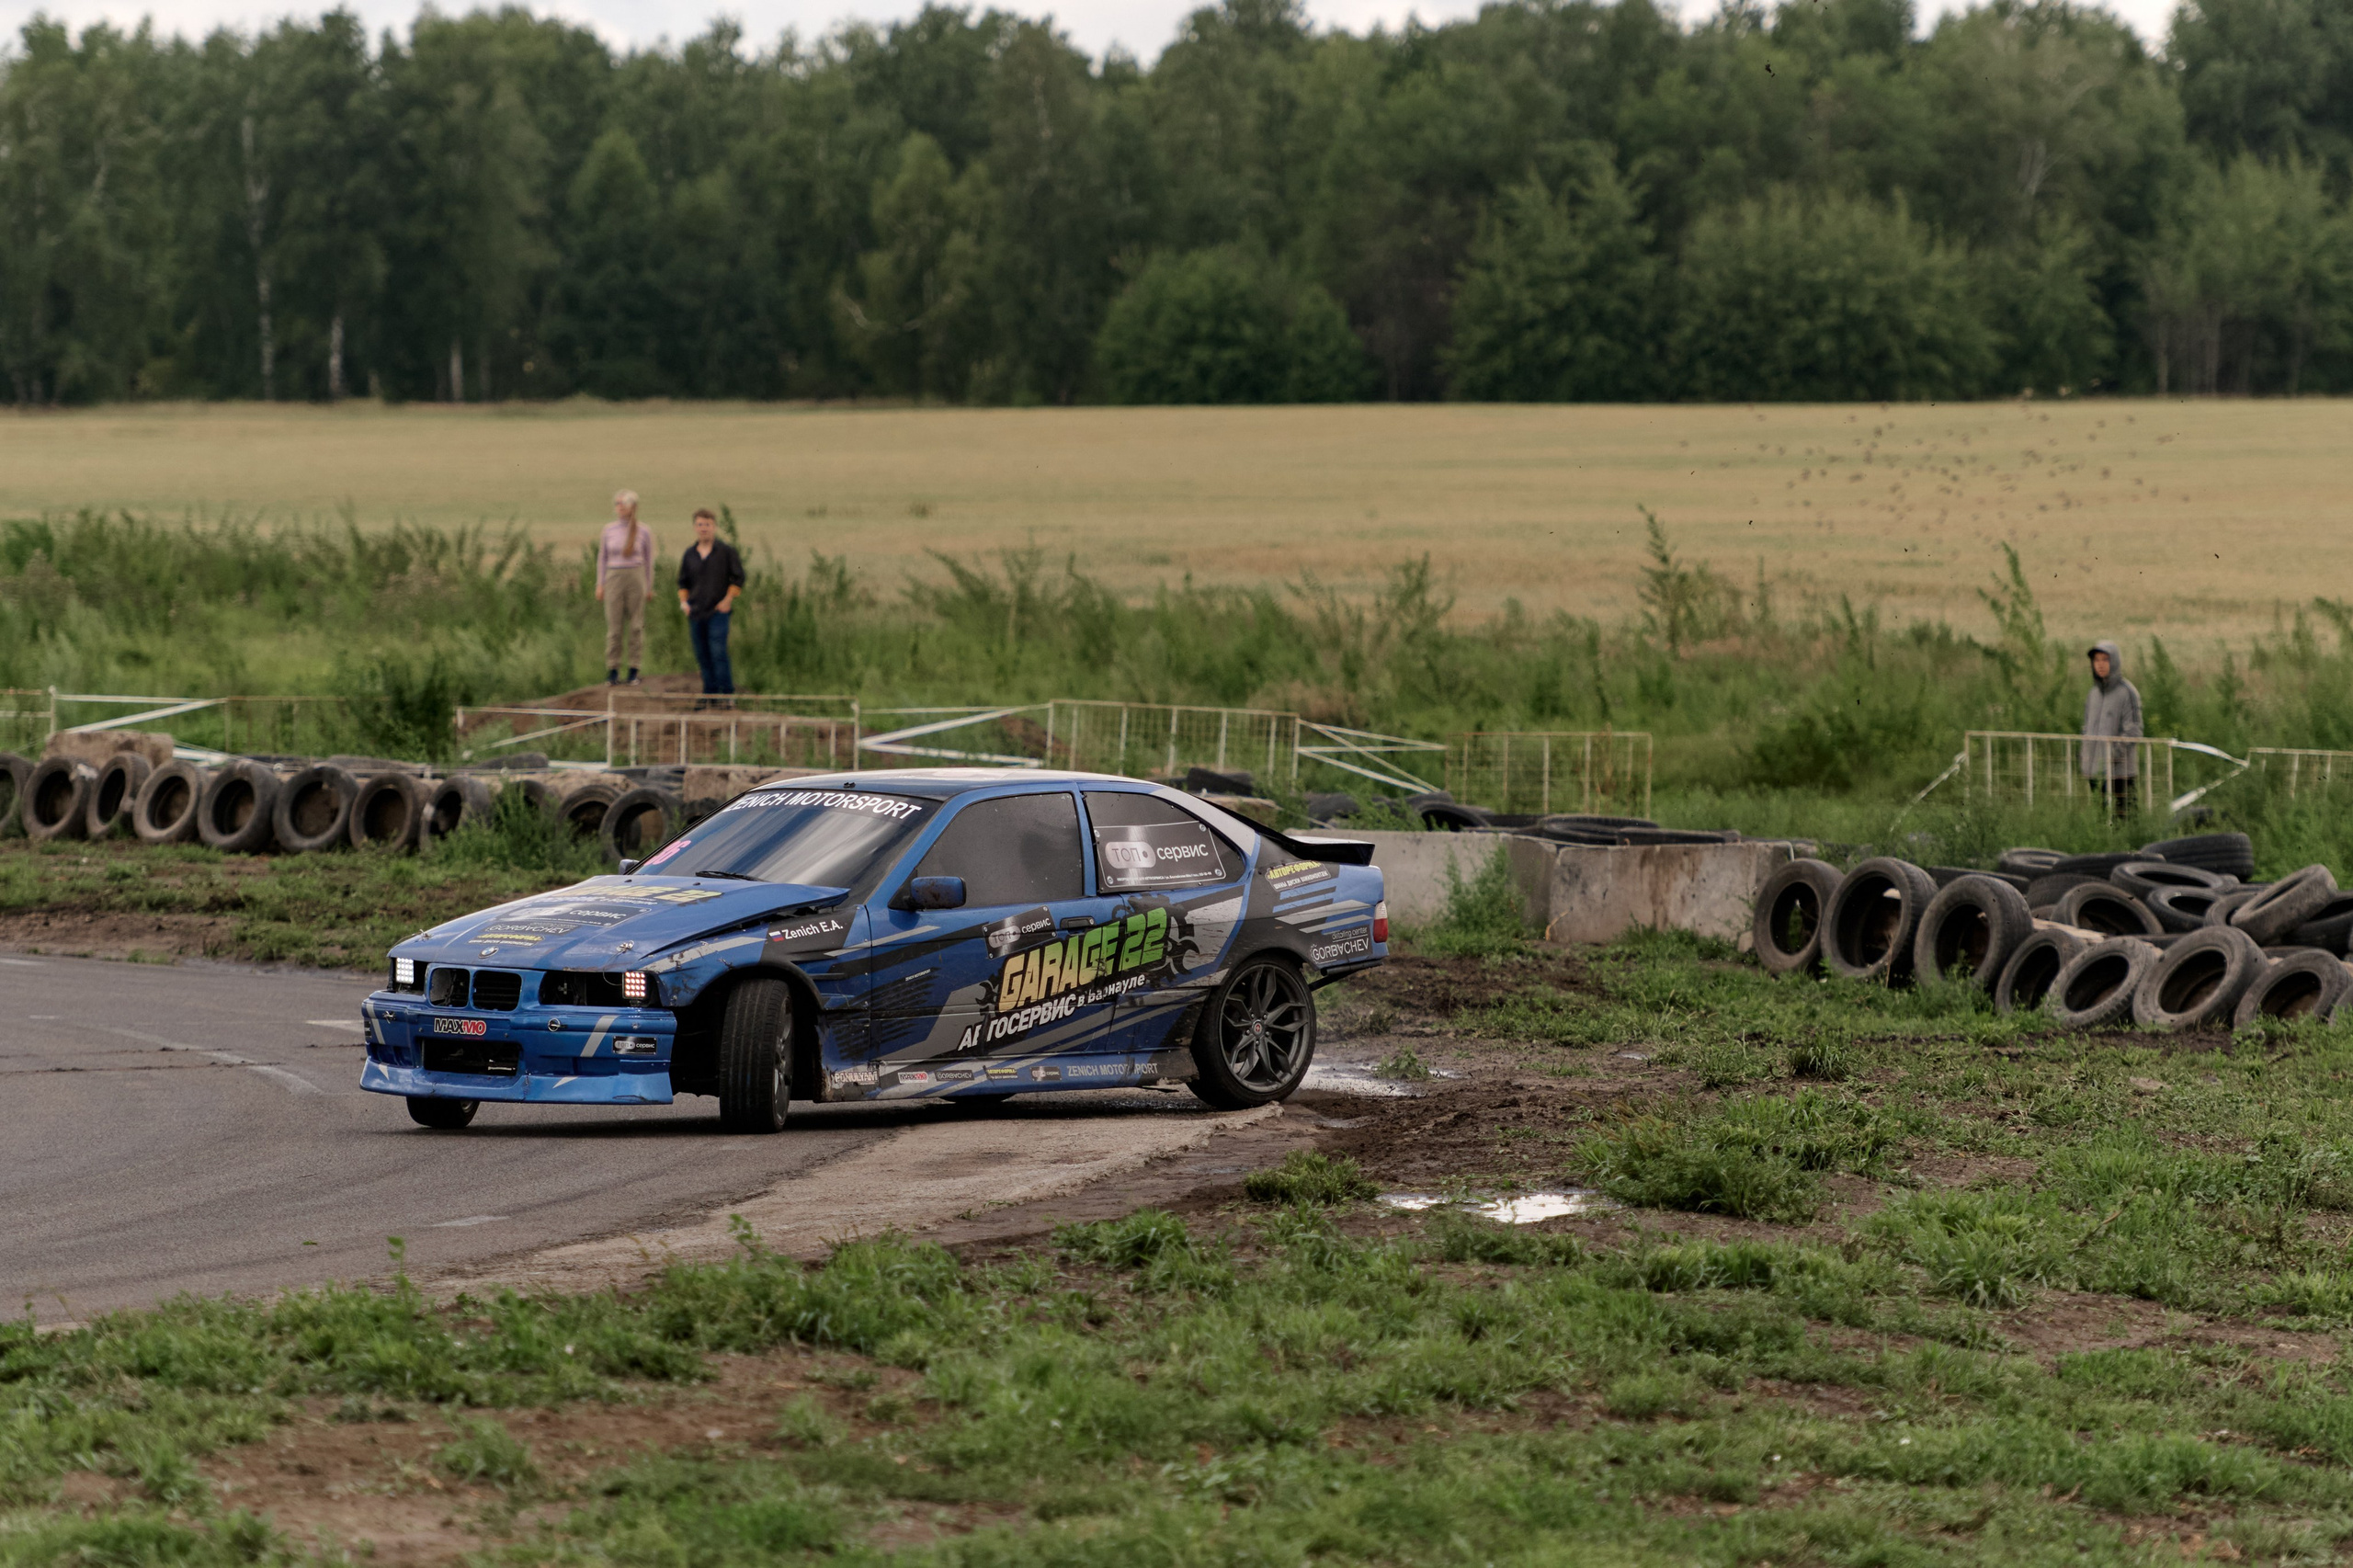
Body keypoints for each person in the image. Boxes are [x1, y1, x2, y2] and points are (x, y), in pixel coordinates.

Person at [677, 506, 745, 699]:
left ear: (714, 527)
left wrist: (728, 600)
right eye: (700, 524)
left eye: (707, 524)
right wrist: (684, 603)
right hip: (696, 611)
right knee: (702, 655)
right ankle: (710, 694)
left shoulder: (726, 552)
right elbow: (683, 582)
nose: (704, 528)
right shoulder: (690, 554)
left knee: (718, 652)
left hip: (718, 611)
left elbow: (738, 578)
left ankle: (727, 695)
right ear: (695, 527)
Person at [595, 489, 655, 686]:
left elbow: (649, 560)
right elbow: (602, 558)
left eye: (624, 503)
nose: (620, 507)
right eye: (617, 503)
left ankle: (634, 669)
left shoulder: (643, 530)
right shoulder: (608, 530)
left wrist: (649, 586)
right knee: (614, 627)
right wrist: (600, 584)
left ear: (633, 507)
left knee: (636, 625)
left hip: (635, 575)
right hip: (613, 576)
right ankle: (613, 669)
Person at [2081, 640, 2143, 817]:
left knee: (2124, 819)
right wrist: (2086, 756)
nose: (2100, 664)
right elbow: (2086, 727)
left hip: (2120, 774)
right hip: (2094, 771)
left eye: (2105, 659)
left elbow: (2134, 731)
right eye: (2096, 660)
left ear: (2114, 661)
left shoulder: (2127, 692)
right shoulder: (2093, 694)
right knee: (2100, 819)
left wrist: (2111, 755)